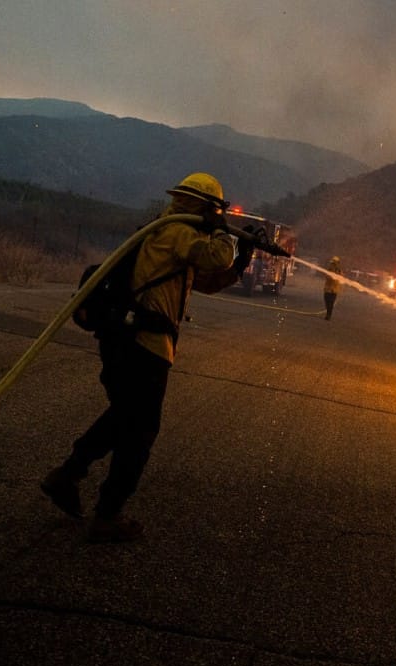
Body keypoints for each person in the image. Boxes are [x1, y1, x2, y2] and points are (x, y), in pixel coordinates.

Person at [40, 172, 248, 542]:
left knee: (123, 418)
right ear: (206, 207)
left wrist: (240, 264)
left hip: (126, 340)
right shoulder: (180, 233)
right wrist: (222, 232)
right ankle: (107, 514)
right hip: (144, 346)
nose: (218, 215)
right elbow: (215, 255)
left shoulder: (164, 233)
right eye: (216, 209)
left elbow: (203, 279)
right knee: (140, 432)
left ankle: (68, 474)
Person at [323, 256, 342, 320]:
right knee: (329, 302)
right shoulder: (335, 269)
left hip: (331, 289)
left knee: (329, 302)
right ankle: (328, 314)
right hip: (332, 289)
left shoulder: (337, 270)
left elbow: (328, 277)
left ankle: (328, 315)